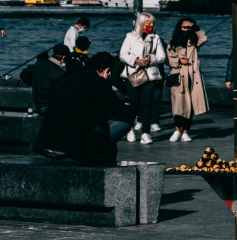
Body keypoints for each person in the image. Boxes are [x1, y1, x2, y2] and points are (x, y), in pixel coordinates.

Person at [34, 52, 135, 165]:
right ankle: (105, 168)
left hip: (48, 147)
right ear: (107, 70)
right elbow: (122, 112)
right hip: (71, 150)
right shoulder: (99, 83)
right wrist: (127, 105)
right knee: (126, 122)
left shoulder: (69, 79)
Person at [119, 12, 167, 144]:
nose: (151, 25)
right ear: (141, 24)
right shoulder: (130, 37)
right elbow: (122, 55)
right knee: (133, 104)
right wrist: (136, 60)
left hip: (150, 75)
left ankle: (146, 133)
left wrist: (150, 60)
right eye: (148, 23)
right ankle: (130, 129)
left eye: (152, 23)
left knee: (147, 105)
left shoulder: (155, 38)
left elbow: (162, 57)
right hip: (133, 75)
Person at [166, 17, 209, 142]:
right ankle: (177, 130)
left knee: (190, 106)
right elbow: (168, 60)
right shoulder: (172, 43)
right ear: (179, 27)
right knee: (178, 106)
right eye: (184, 27)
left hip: (192, 77)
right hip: (179, 77)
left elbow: (204, 38)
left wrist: (195, 27)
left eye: (189, 28)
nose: (186, 30)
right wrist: (179, 61)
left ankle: (186, 131)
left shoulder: (194, 42)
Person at [31, 44, 71, 114]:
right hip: (49, 107)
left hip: (36, 106)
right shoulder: (60, 72)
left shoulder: (39, 64)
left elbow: (24, 74)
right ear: (64, 57)